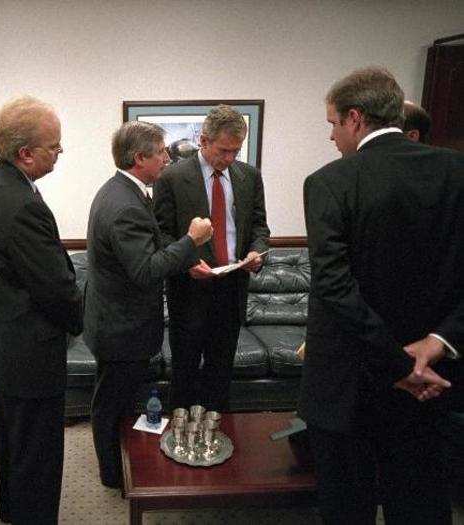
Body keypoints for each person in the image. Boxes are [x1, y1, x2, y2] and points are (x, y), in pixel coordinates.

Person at [301, 66, 463, 524]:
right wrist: (436, 345)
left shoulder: (329, 181)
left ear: (355, 118)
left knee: (346, 509)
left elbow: (335, 287)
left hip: (347, 388)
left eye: (333, 123)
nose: (332, 136)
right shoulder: (457, 172)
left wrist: (399, 365)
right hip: (433, 382)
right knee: (421, 505)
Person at [0, 96, 83, 525]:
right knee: (37, 456)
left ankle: (12, 514)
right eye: (54, 146)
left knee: (13, 445)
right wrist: (77, 319)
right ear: (25, 153)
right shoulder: (22, 204)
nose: (59, 153)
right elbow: (54, 286)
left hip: (3, 345)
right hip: (29, 354)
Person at [84, 121, 212, 488]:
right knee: (112, 406)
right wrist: (191, 240)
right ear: (139, 158)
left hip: (115, 322)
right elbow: (145, 270)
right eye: (160, 152)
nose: (167, 158)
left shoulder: (122, 191)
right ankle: (114, 475)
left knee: (115, 402)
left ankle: (118, 469)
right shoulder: (124, 204)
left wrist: (183, 256)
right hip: (122, 328)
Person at [153, 105, 270, 411]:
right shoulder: (172, 178)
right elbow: (161, 236)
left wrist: (257, 251)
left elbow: (259, 225)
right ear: (204, 140)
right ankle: (179, 442)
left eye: (236, 150)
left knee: (220, 374)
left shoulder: (249, 177)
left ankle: (217, 439)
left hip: (232, 289)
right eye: (224, 150)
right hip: (189, 291)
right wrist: (187, 262)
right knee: (185, 373)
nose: (230, 158)